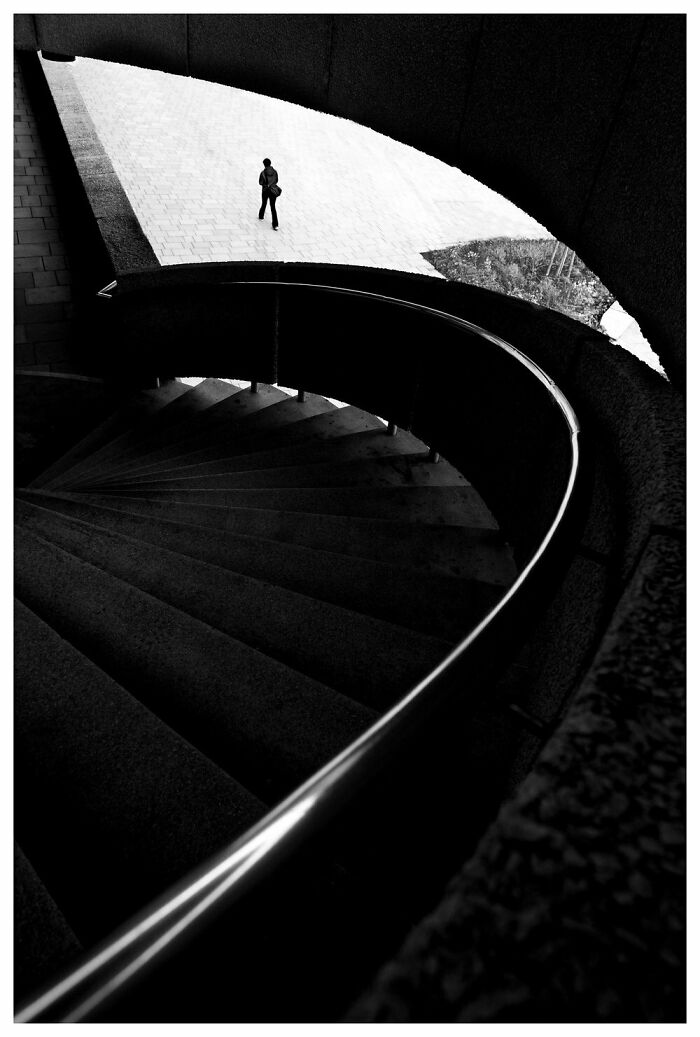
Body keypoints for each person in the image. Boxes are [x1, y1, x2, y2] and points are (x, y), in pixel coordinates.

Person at [258, 158, 280, 230]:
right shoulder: (275, 172)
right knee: (273, 207)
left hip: (265, 190)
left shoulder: (263, 173)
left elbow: (260, 182)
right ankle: (275, 225)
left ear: (264, 164)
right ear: (270, 163)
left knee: (264, 203)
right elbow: (276, 180)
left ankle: (261, 216)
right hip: (273, 191)